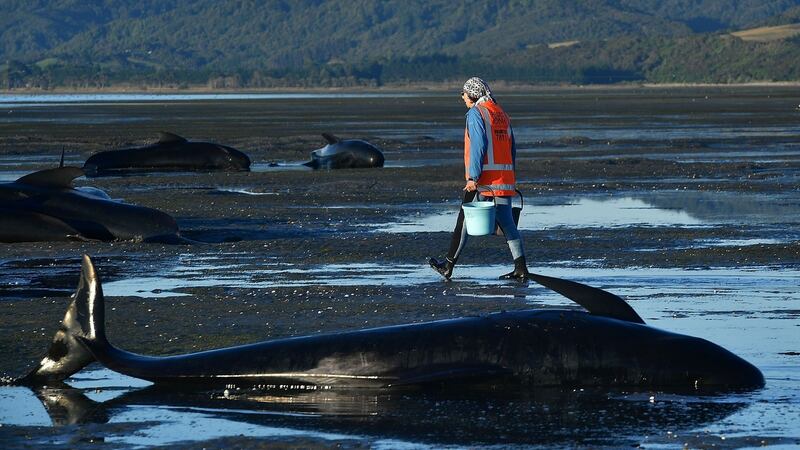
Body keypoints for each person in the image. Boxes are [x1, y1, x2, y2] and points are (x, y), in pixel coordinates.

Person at [428, 77, 531, 281]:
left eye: (464, 93)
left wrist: (473, 177)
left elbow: (478, 146)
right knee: (508, 224)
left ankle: (448, 266)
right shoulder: (501, 113)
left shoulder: (476, 113)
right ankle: (521, 268)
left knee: (463, 221)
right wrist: (510, 174)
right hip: (504, 177)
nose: (462, 96)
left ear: (472, 95)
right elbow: (512, 148)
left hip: (484, 180)